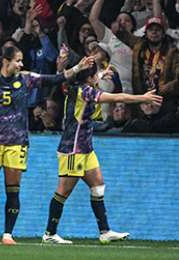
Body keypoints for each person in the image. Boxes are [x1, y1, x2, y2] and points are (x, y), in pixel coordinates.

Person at [0, 45, 93, 245]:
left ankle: (8, 234)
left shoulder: (26, 78)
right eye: (18, 60)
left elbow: (54, 78)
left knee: (12, 189)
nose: (21, 64)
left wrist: (77, 68)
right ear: (7, 61)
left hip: (16, 143)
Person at [42, 64, 163, 245]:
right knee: (63, 191)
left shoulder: (78, 86)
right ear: (90, 79)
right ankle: (50, 233)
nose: (97, 79)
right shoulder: (86, 92)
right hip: (73, 149)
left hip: (86, 148)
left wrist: (101, 73)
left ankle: (105, 231)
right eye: (95, 76)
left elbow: (89, 77)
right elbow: (117, 97)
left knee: (98, 186)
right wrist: (142, 97)